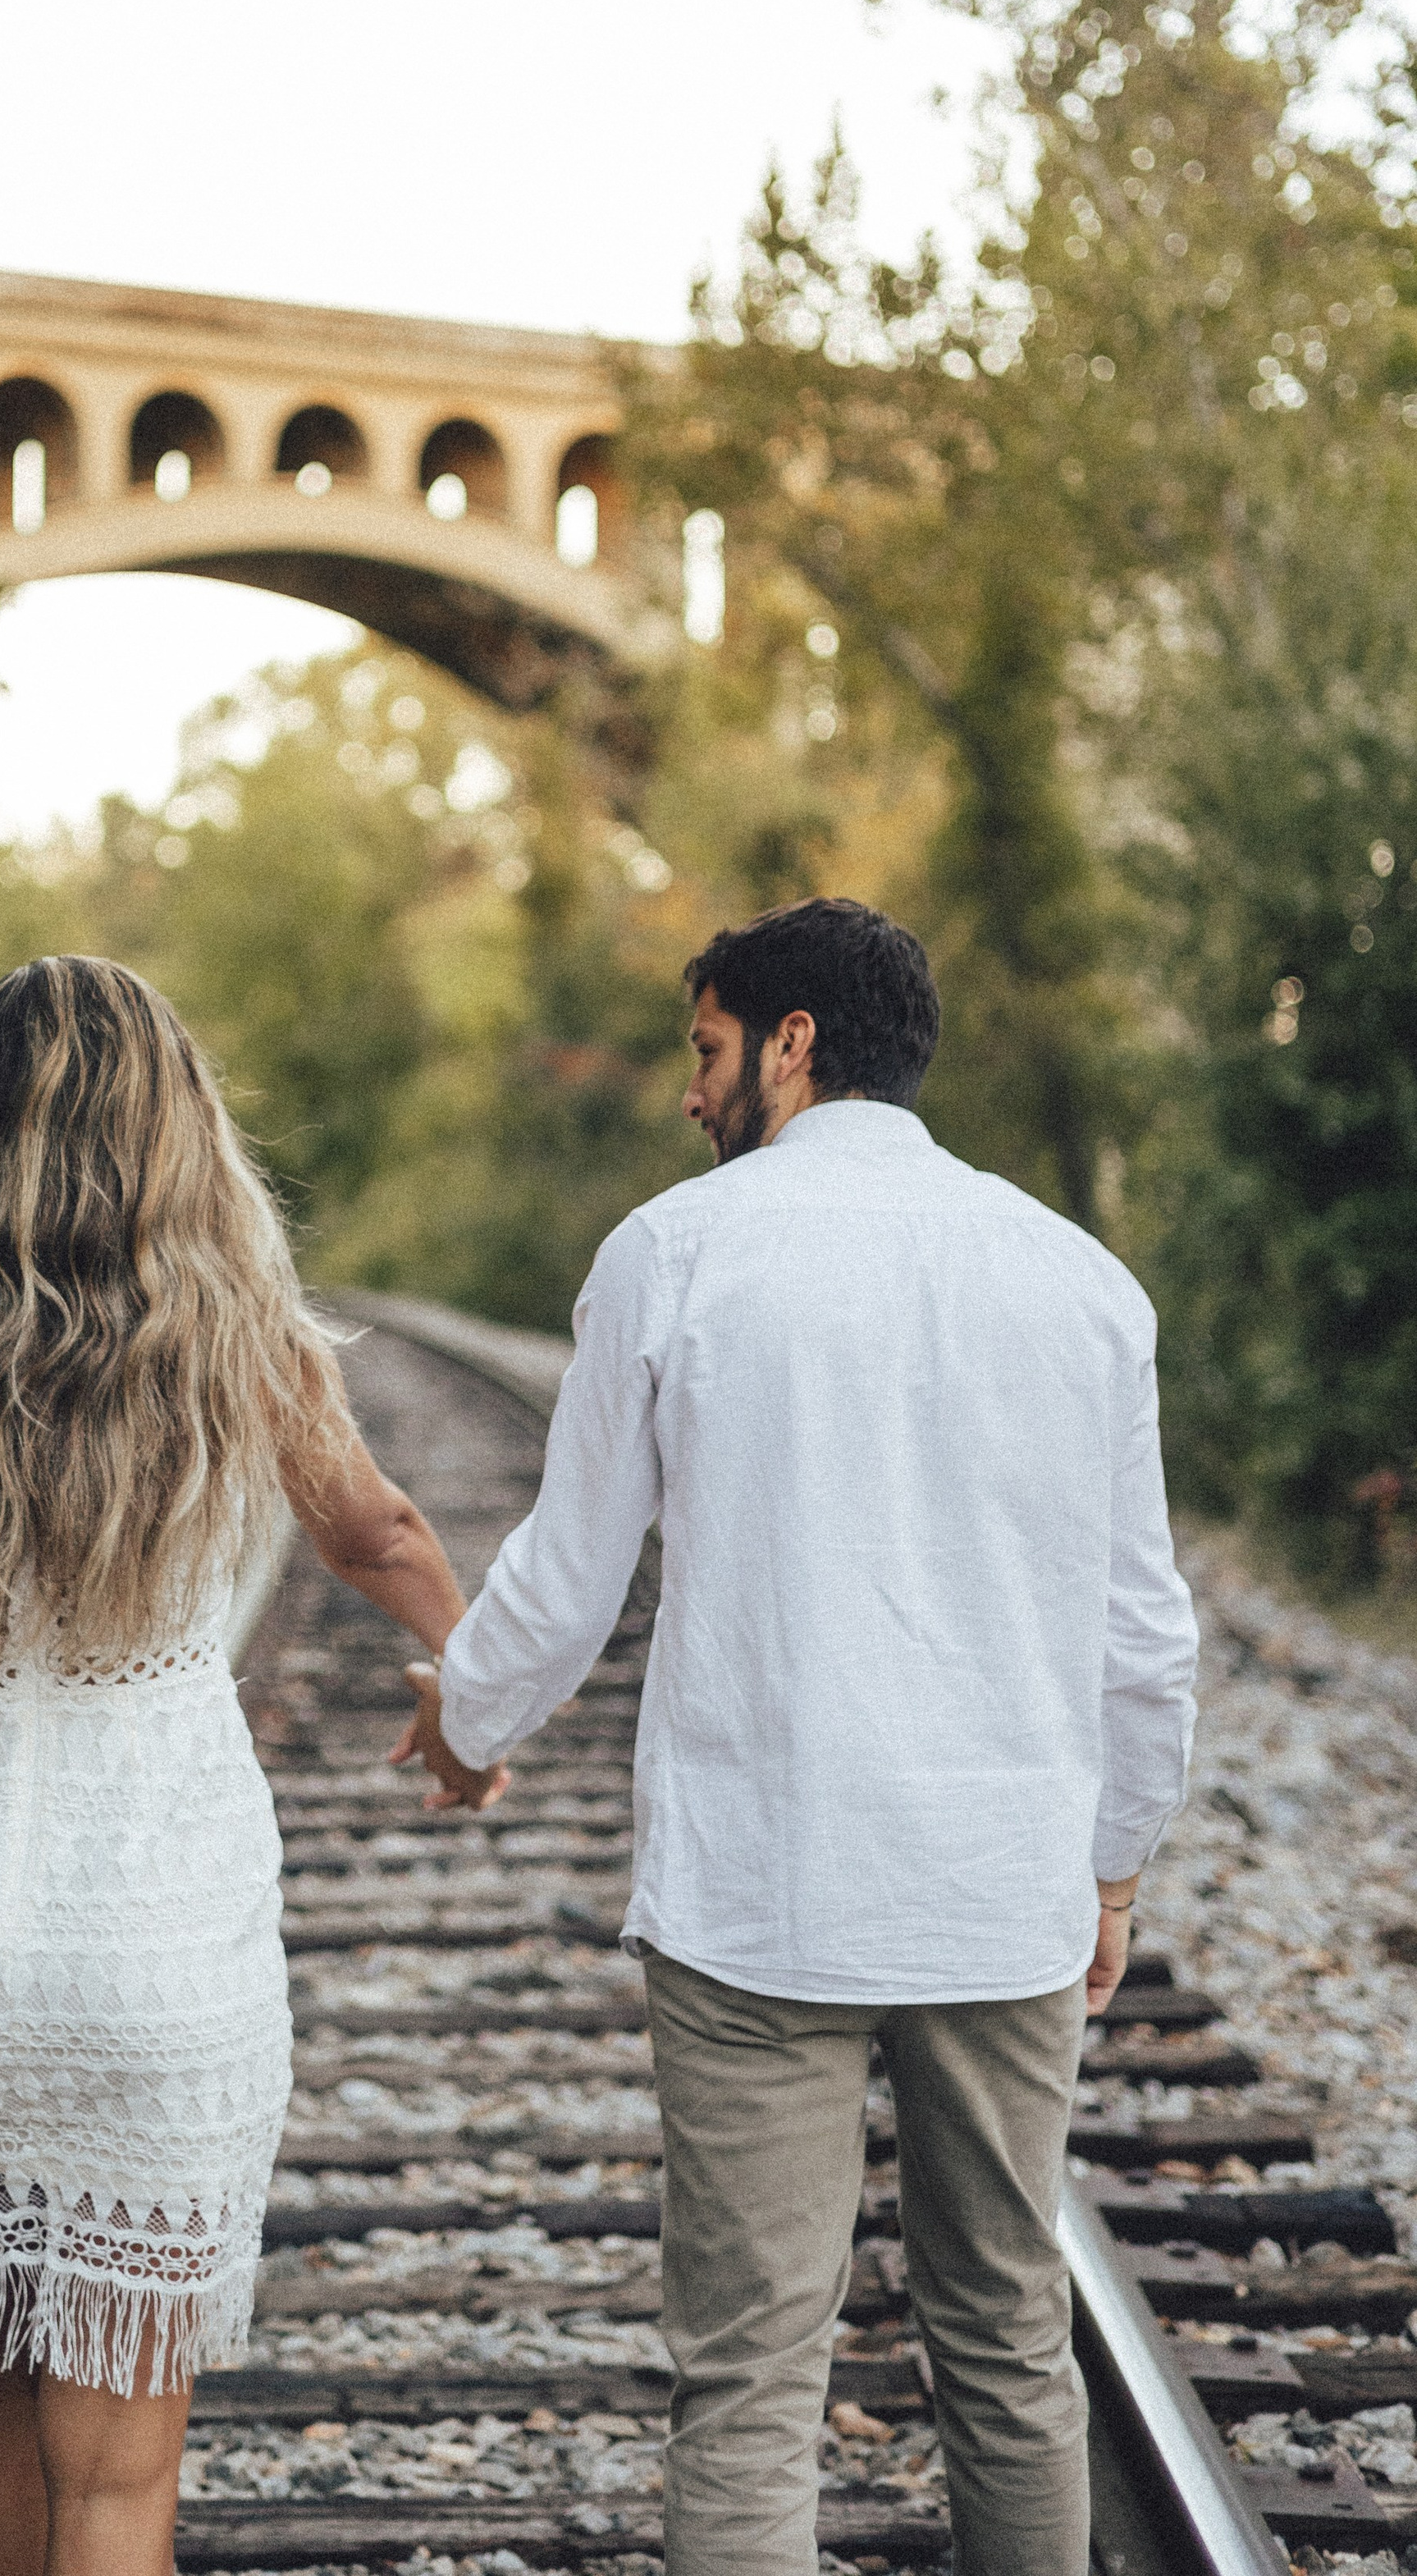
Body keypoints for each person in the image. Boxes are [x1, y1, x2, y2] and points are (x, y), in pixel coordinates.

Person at [394, 896, 1199, 2576]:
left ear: (792, 1041)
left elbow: (567, 1573)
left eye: (706, 1050)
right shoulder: (1083, 1283)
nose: (692, 1093)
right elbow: (1142, 1633)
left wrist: (467, 1720)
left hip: (760, 1899)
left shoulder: (674, 1255)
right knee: (1006, 2343)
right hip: (996, 1896)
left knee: (752, 2380)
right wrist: (1112, 1865)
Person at [0, 956, 496, 2576]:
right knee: (114, 2478)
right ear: (177, 1128)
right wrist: (476, 1685)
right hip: (159, 1954)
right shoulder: (236, 1340)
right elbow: (376, 1531)